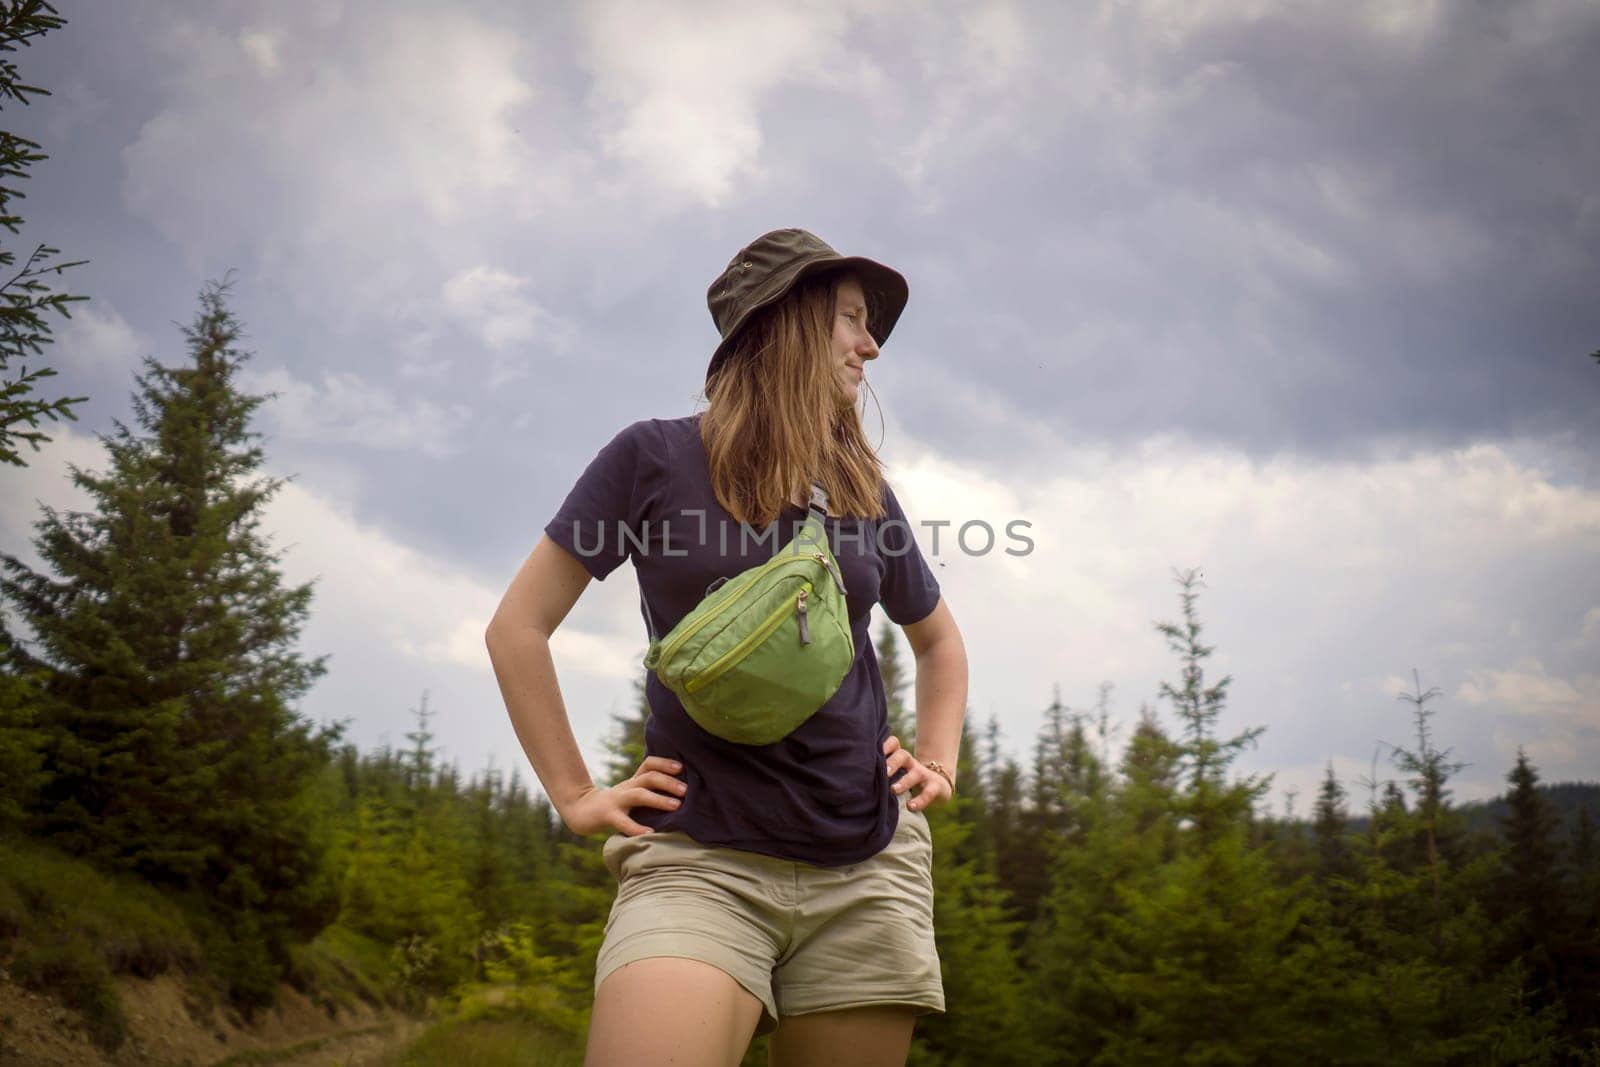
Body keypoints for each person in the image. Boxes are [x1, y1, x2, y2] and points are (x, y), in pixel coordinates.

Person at [484, 227, 969, 1067]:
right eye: (850, 319)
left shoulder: (860, 486)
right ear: (782, 324)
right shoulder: (652, 458)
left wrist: (939, 759)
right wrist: (574, 793)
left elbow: (940, 642)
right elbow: (517, 628)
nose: (872, 345)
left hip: (865, 865)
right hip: (699, 859)